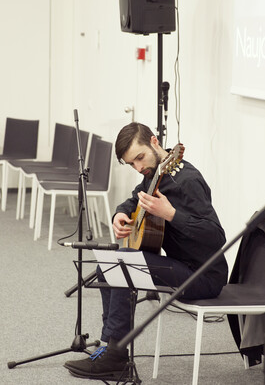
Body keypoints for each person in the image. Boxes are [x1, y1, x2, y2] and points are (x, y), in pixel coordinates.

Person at [64, 122, 228, 380]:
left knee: (124, 263)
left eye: (139, 158)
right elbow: (135, 199)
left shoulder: (188, 180)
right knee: (107, 265)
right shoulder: (155, 174)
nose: (139, 167)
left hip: (204, 276)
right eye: (132, 164)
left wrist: (171, 214)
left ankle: (115, 358)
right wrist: (120, 213)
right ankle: (111, 346)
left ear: (154, 142)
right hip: (177, 265)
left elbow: (217, 236)